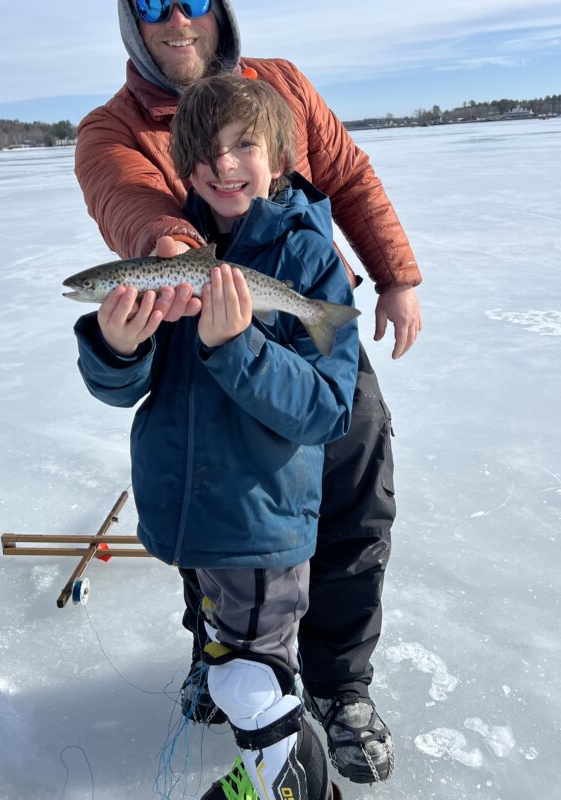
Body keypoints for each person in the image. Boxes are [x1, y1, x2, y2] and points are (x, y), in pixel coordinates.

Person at [74, 0, 423, 784]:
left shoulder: (282, 84)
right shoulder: (112, 128)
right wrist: (165, 249)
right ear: (133, 21)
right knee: (210, 495)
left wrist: (397, 276)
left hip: (307, 326)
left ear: (216, 6)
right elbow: (130, 204)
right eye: (152, 4)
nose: (174, 20)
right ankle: (220, 656)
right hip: (199, 327)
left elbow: (347, 174)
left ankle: (338, 687)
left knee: (349, 501)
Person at [73, 73, 360, 800]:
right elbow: (121, 388)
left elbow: (327, 409)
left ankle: (290, 776)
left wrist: (239, 345)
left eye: (243, 147)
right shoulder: (167, 255)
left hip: (260, 518)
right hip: (184, 513)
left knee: (255, 665)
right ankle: (235, 700)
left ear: (282, 157)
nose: (221, 167)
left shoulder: (307, 262)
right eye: (201, 155)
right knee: (214, 630)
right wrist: (114, 346)